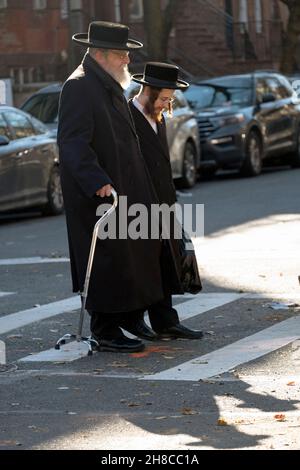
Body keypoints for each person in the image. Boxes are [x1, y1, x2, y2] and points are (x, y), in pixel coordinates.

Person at [57, 22, 167, 353]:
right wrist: (97, 180)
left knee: (134, 254)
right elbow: (73, 142)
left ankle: (130, 318)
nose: (127, 62)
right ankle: (105, 329)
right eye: (122, 55)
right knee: (106, 261)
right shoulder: (79, 86)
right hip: (101, 194)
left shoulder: (108, 83)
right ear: (101, 54)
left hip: (127, 187)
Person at [128, 62, 203, 340]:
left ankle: (166, 321)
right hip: (137, 203)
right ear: (147, 91)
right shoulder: (127, 116)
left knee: (165, 261)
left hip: (163, 201)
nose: (166, 104)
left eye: (169, 99)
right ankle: (136, 320)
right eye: (163, 98)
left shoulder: (157, 116)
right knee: (143, 264)